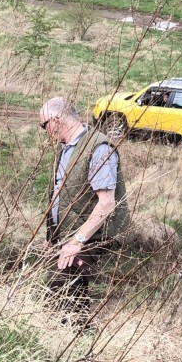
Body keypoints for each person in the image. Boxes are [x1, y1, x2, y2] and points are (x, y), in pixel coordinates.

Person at [40, 97, 130, 305]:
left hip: (89, 236)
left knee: (60, 294)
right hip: (67, 233)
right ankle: (78, 333)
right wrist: (51, 235)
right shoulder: (67, 148)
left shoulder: (99, 149)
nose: (45, 130)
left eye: (44, 124)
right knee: (69, 297)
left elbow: (107, 203)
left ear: (56, 120)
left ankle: (72, 332)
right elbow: (61, 194)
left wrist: (76, 242)